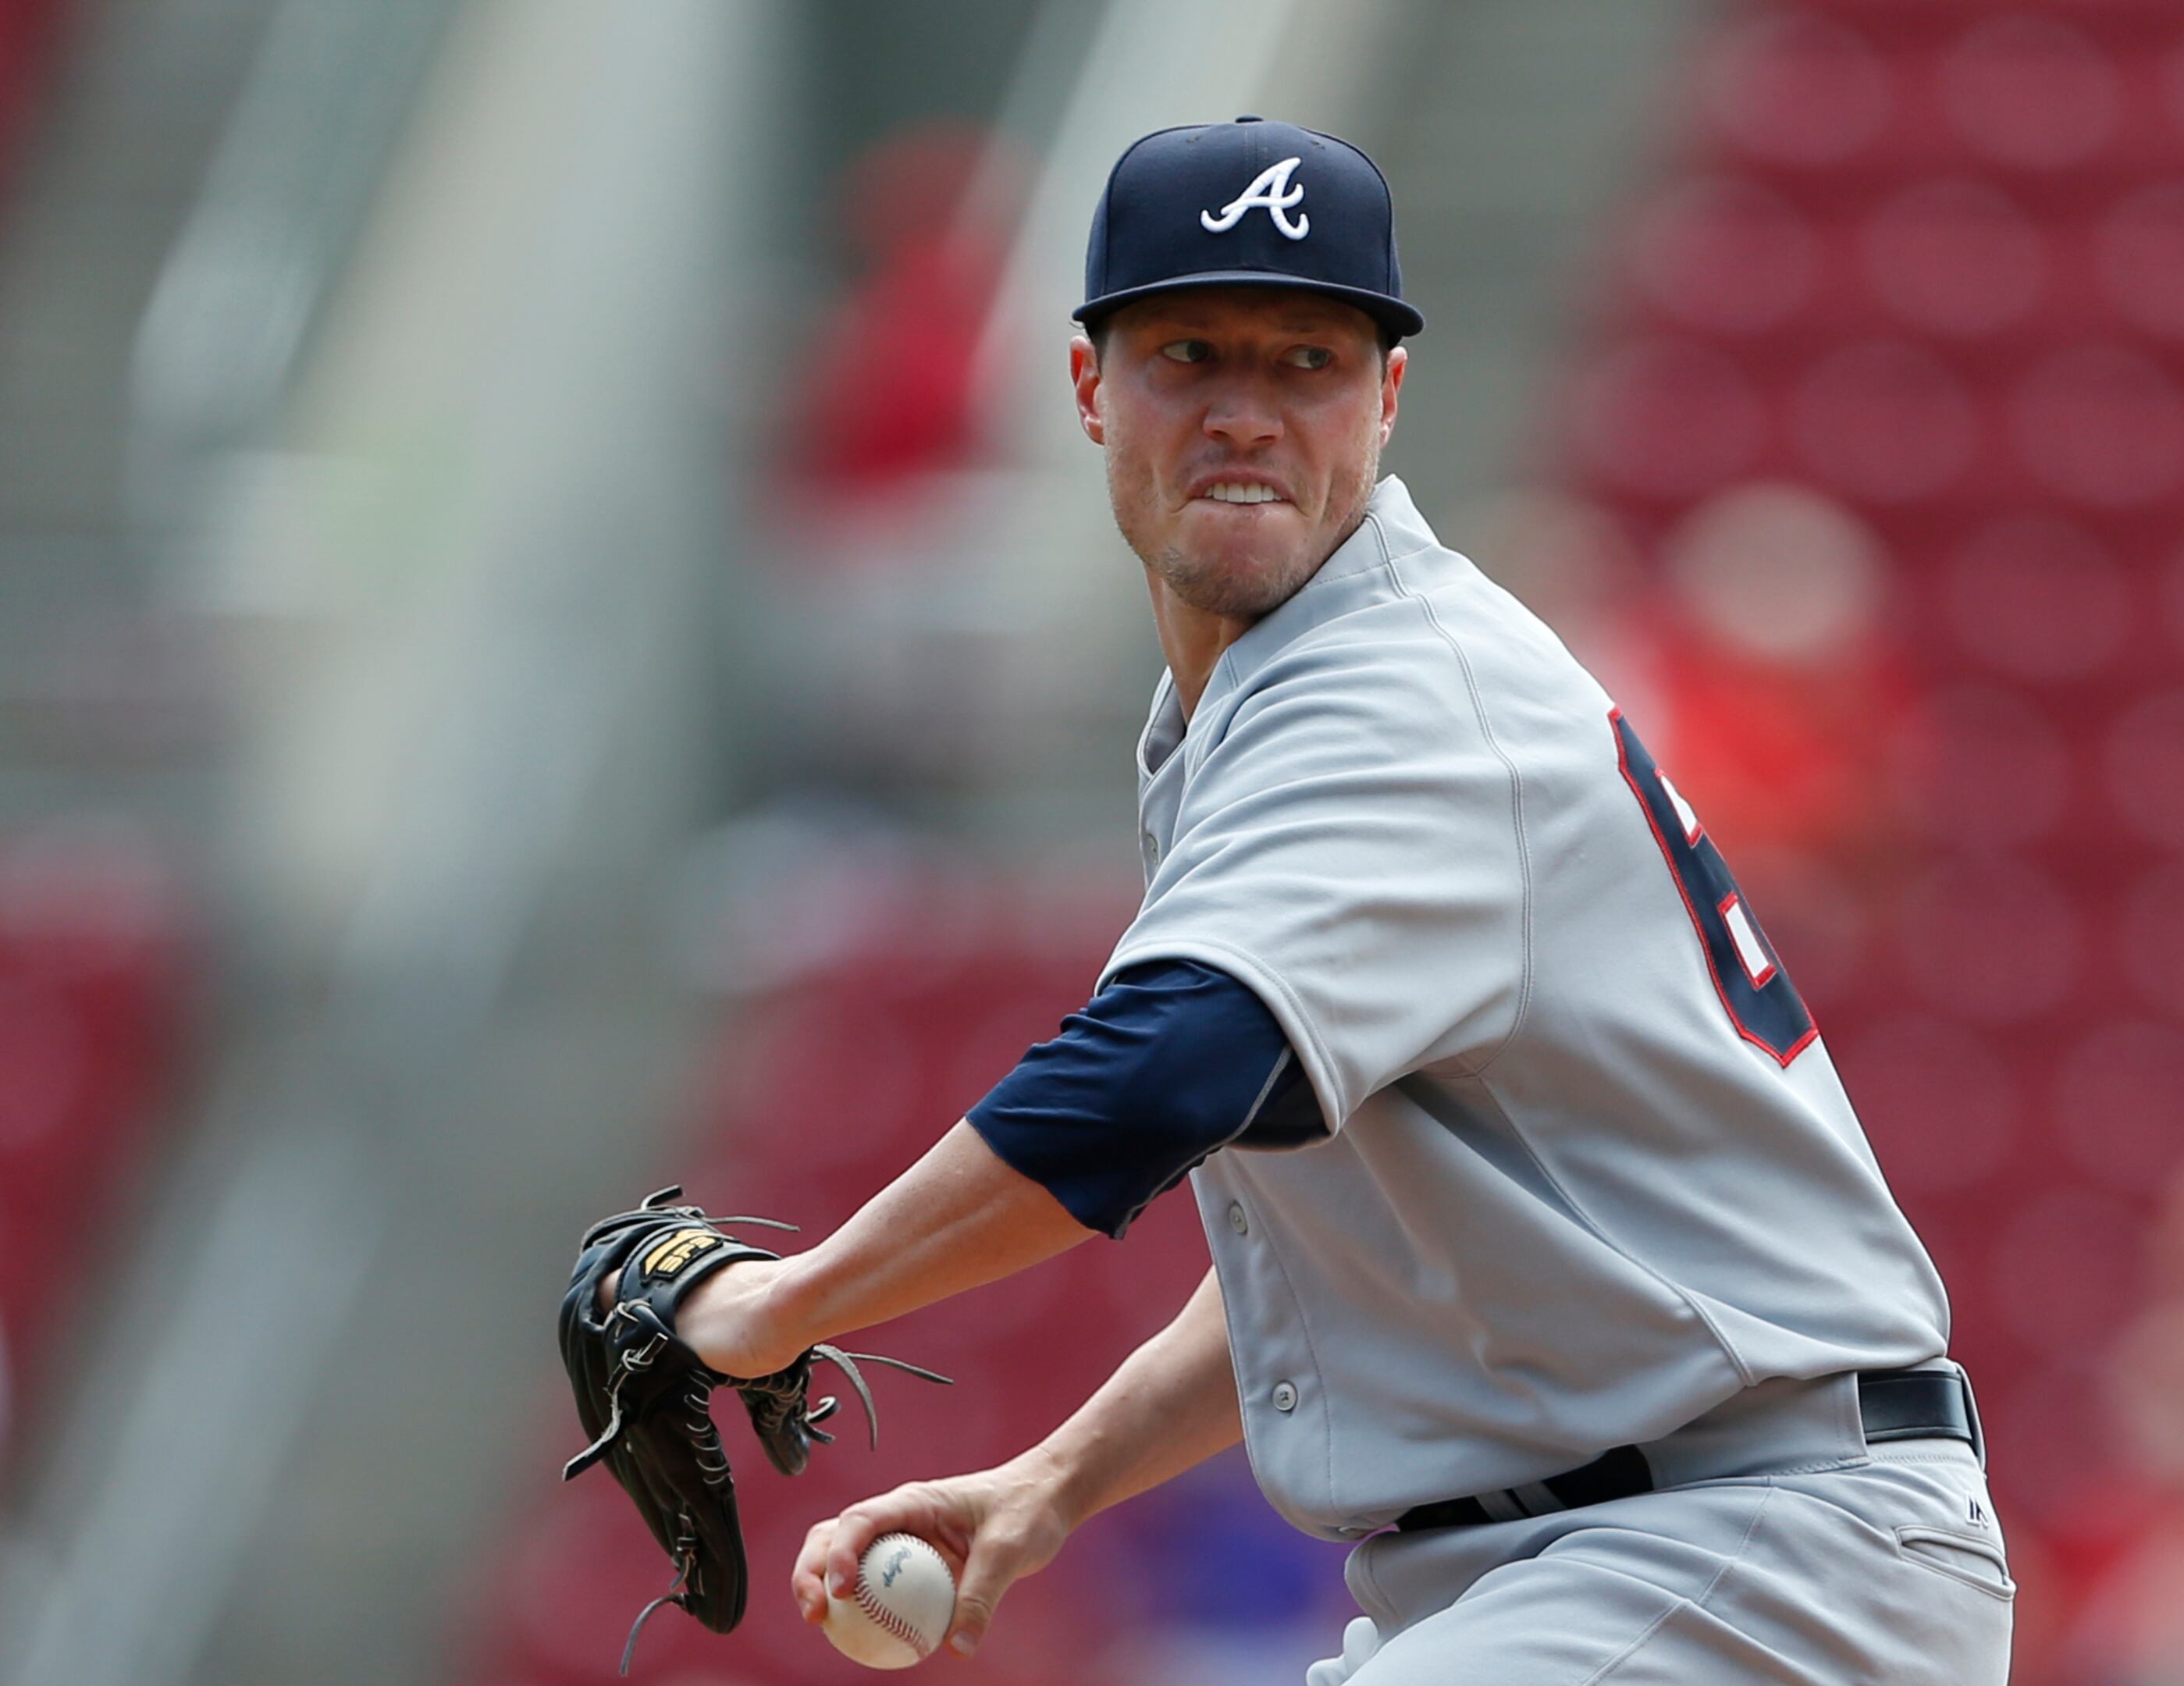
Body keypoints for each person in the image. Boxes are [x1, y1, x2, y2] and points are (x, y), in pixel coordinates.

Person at [656, 116, 2013, 1684]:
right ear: (1093, 388)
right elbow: (1383, 1265)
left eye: (1307, 361)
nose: (1247, 413)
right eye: (1191, 355)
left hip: (1739, 1545)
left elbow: (1158, 1074)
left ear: (1387, 400)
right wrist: (1055, 1483)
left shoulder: (1394, 693)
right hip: (1644, 1564)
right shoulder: (1265, 704)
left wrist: (780, 1303)